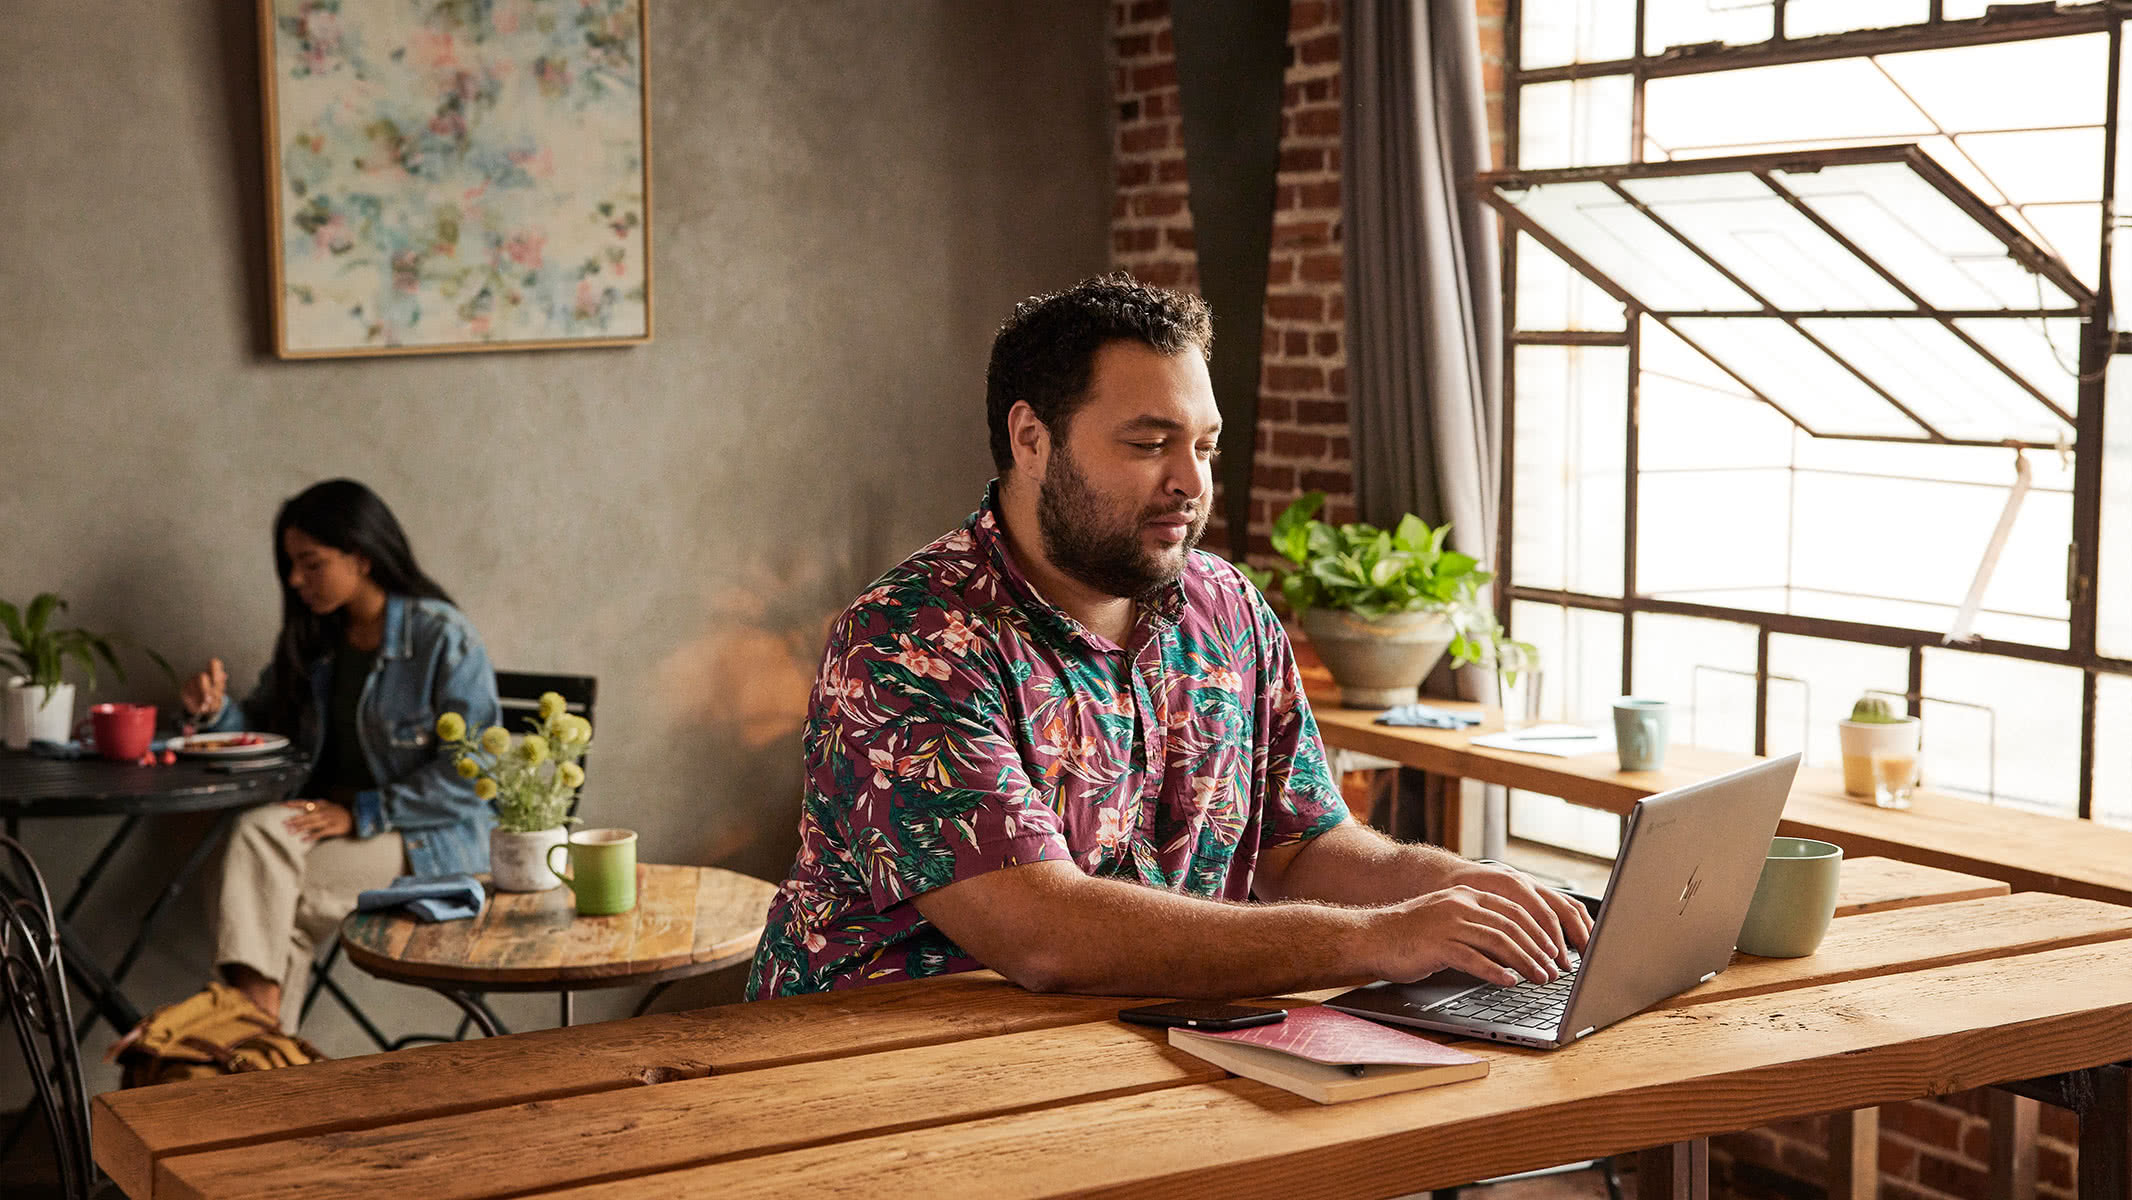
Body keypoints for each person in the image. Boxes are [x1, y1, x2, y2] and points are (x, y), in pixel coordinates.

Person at [746, 274, 1591, 1001]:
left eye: (1205, 446)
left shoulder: (1228, 609)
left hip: (1138, 1039)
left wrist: (1466, 890)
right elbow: (1047, 934)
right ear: (1031, 439)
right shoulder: (909, 639)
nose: (1191, 482)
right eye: (1150, 444)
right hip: (881, 1070)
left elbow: (1302, 845)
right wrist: (1379, 938)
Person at [180, 478, 499, 1031]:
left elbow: (473, 776)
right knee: (261, 885)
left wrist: (363, 812)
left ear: (363, 556)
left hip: (430, 841)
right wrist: (213, 714)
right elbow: (262, 726)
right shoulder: (318, 640)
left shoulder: (440, 638)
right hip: (338, 830)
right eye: (290, 567)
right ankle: (267, 1064)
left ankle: (248, 1045)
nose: (296, 581)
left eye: (311, 563)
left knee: (253, 854)